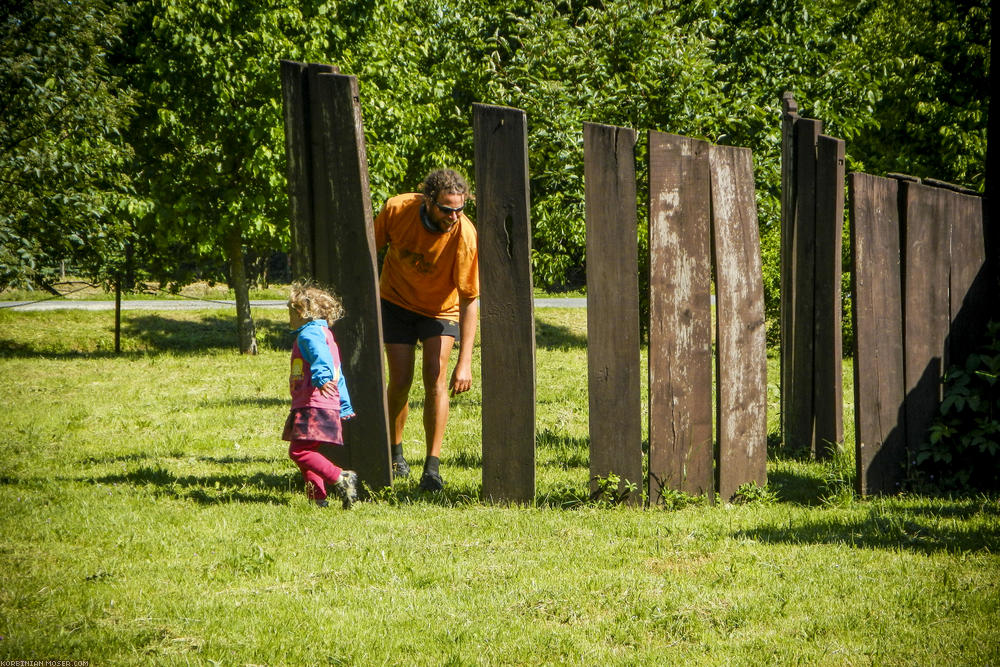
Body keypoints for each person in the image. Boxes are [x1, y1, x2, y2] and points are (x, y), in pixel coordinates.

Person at [375, 168, 479, 491]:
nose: (454, 216)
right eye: (447, 209)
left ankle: (431, 469)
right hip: (396, 300)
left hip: (440, 309)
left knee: (435, 377)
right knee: (401, 378)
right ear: (428, 200)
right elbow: (368, 251)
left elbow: (470, 299)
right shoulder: (397, 209)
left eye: (460, 209)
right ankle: (395, 453)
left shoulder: (465, 235)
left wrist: (466, 361)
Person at [283, 284, 359, 509]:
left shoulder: (311, 333)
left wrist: (320, 377)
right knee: (309, 451)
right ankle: (317, 500)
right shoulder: (324, 333)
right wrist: (343, 405)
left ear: (302, 313)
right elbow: (340, 374)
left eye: (290, 312)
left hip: (312, 404)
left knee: (299, 451)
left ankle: (340, 477)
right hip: (317, 403)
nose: (289, 318)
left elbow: (322, 360)